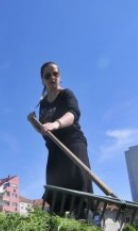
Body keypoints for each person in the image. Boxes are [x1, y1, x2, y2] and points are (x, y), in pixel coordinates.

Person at [36, 61, 93, 219]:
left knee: (79, 183)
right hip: (55, 150)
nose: (52, 77)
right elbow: (44, 127)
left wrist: (55, 124)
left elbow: (73, 114)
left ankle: (84, 224)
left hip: (74, 143)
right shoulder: (43, 103)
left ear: (59, 76)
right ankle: (58, 227)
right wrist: (40, 127)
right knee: (56, 187)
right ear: (43, 80)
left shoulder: (66, 94)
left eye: (55, 73)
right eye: (48, 75)